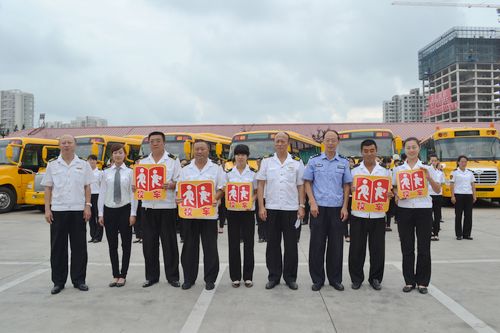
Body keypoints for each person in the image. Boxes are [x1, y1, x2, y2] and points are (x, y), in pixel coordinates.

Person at [41, 134, 94, 295]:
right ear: (59, 146)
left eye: (69, 142)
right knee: (58, 248)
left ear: (75, 145)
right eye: (63, 143)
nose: (66, 145)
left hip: (78, 211)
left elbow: (87, 188)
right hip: (58, 210)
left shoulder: (83, 165)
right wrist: (47, 209)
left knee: (79, 248)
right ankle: (58, 282)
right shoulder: (52, 165)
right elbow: (48, 188)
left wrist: (88, 206)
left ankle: (79, 280)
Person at [303, 130, 352, 292]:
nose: (330, 143)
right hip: (318, 209)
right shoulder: (314, 161)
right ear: (323, 142)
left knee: (336, 246)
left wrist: (345, 206)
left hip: (337, 209)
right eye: (327, 140)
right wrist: (312, 202)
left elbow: (346, 186)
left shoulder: (344, 162)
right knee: (317, 245)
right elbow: (307, 183)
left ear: (338, 142)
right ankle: (317, 279)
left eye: (333, 140)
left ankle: (335, 279)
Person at [257, 132, 305, 290]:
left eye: (283, 141)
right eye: (277, 141)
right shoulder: (266, 161)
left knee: (291, 245)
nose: (280, 144)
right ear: (274, 143)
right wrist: (261, 206)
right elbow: (261, 185)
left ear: (288, 143)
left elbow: (300, 186)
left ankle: (290, 277)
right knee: (272, 245)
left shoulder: (297, 162)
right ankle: (274, 276)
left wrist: (301, 205)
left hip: (291, 209)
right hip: (271, 208)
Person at [393, 137, 441, 295]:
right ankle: (409, 281)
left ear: (419, 148)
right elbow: (394, 188)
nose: (411, 150)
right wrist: (397, 195)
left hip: (423, 209)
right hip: (405, 209)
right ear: (404, 150)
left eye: (414, 147)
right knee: (407, 247)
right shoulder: (398, 169)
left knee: (424, 247)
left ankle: (422, 282)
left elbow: (438, 189)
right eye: (408, 147)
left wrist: (428, 177)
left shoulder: (427, 168)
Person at [136, 131, 182, 288]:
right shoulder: (142, 162)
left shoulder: (173, 161)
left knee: (169, 244)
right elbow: (137, 184)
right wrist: (136, 187)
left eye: (158, 141)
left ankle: (173, 277)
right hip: (148, 207)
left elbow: (179, 182)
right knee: (149, 244)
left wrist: (172, 185)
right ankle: (151, 276)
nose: (155, 143)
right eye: (152, 141)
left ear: (164, 142)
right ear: (149, 143)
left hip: (166, 207)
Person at [178, 140, 226, 291]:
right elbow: (180, 189)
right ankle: (188, 279)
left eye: (202, 149)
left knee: (210, 247)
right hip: (190, 215)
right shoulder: (185, 169)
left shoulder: (216, 169)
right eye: (197, 149)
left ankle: (210, 279)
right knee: (189, 248)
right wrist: (179, 197)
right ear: (193, 151)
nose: (199, 151)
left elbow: (222, 187)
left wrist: (215, 198)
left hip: (209, 215)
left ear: (208, 151)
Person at [349, 139, 393, 291]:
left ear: (376, 151)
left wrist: (389, 194)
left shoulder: (385, 172)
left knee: (377, 250)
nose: (369, 154)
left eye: (372, 150)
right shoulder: (354, 171)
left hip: (378, 215)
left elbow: (390, 192)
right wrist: (351, 191)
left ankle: (375, 278)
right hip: (358, 214)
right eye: (366, 151)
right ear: (361, 152)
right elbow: (347, 191)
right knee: (356, 249)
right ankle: (356, 278)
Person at [98, 144, 137, 287]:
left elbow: (134, 195)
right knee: (112, 244)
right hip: (109, 211)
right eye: (115, 153)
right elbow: (102, 194)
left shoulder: (131, 173)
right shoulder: (105, 173)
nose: (118, 155)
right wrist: (100, 213)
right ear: (111, 156)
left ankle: (123, 274)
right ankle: (115, 274)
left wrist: (133, 213)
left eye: (120, 152)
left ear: (125, 155)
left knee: (126, 244)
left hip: (125, 210)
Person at [225, 144, 257, 288]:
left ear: (247, 156)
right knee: (233, 244)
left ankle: (248, 276)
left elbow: (257, 191)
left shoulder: (253, 173)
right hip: (232, 212)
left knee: (249, 244)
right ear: (234, 156)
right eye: (238, 154)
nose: (240, 157)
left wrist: (251, 200)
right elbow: (224, 190)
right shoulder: (228, 173)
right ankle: (235, 277)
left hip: (248, 212)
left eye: (243, 154)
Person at [450, 155, 477, 240]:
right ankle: (459, 234)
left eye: (465, 161)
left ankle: (467, 234)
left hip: (468, 195)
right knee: (458, 215)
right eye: (462, 161)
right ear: (458, 162)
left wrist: (474, 195)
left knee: (468, 215)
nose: (463, 163)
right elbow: (451, 185)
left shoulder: (470, 172)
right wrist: (452, 196)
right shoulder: (454, 172)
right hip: (458, 195)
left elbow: (473, 185)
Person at [428, 154, 445, 241]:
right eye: (432, 160)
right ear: (429, 161)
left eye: (435, 160)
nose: (434, 162)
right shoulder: (427, 170)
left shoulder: (440, 172)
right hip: (429, 194)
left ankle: (436, 232)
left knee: (437, 215)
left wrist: (437, 186)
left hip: (438, 195)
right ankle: (430, 231)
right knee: (429, 214)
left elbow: (442, 183)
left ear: (437, 161)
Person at [87, 154, 103, 243]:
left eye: (93, 160)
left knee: (98, 216)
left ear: (96, 161)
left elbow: (103, 186)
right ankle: (93, 236)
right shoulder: (86, 173)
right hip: (89, 196)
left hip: (98, 195)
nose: (92, 161)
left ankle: (98, 236)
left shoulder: (100, 173)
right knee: (90, 217)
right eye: (90, 160)